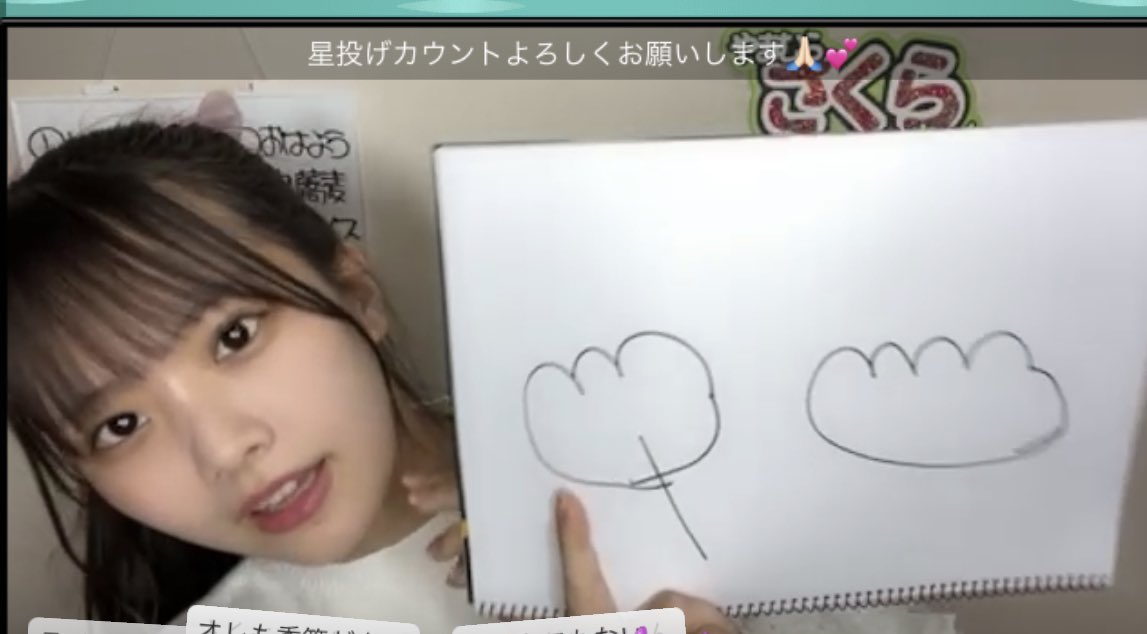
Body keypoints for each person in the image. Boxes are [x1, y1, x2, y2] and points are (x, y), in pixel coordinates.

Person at [7, 99, 959, 634]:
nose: (224, 447)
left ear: (357, 294)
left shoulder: (665, 453)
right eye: (118, 425)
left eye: (234, 336)